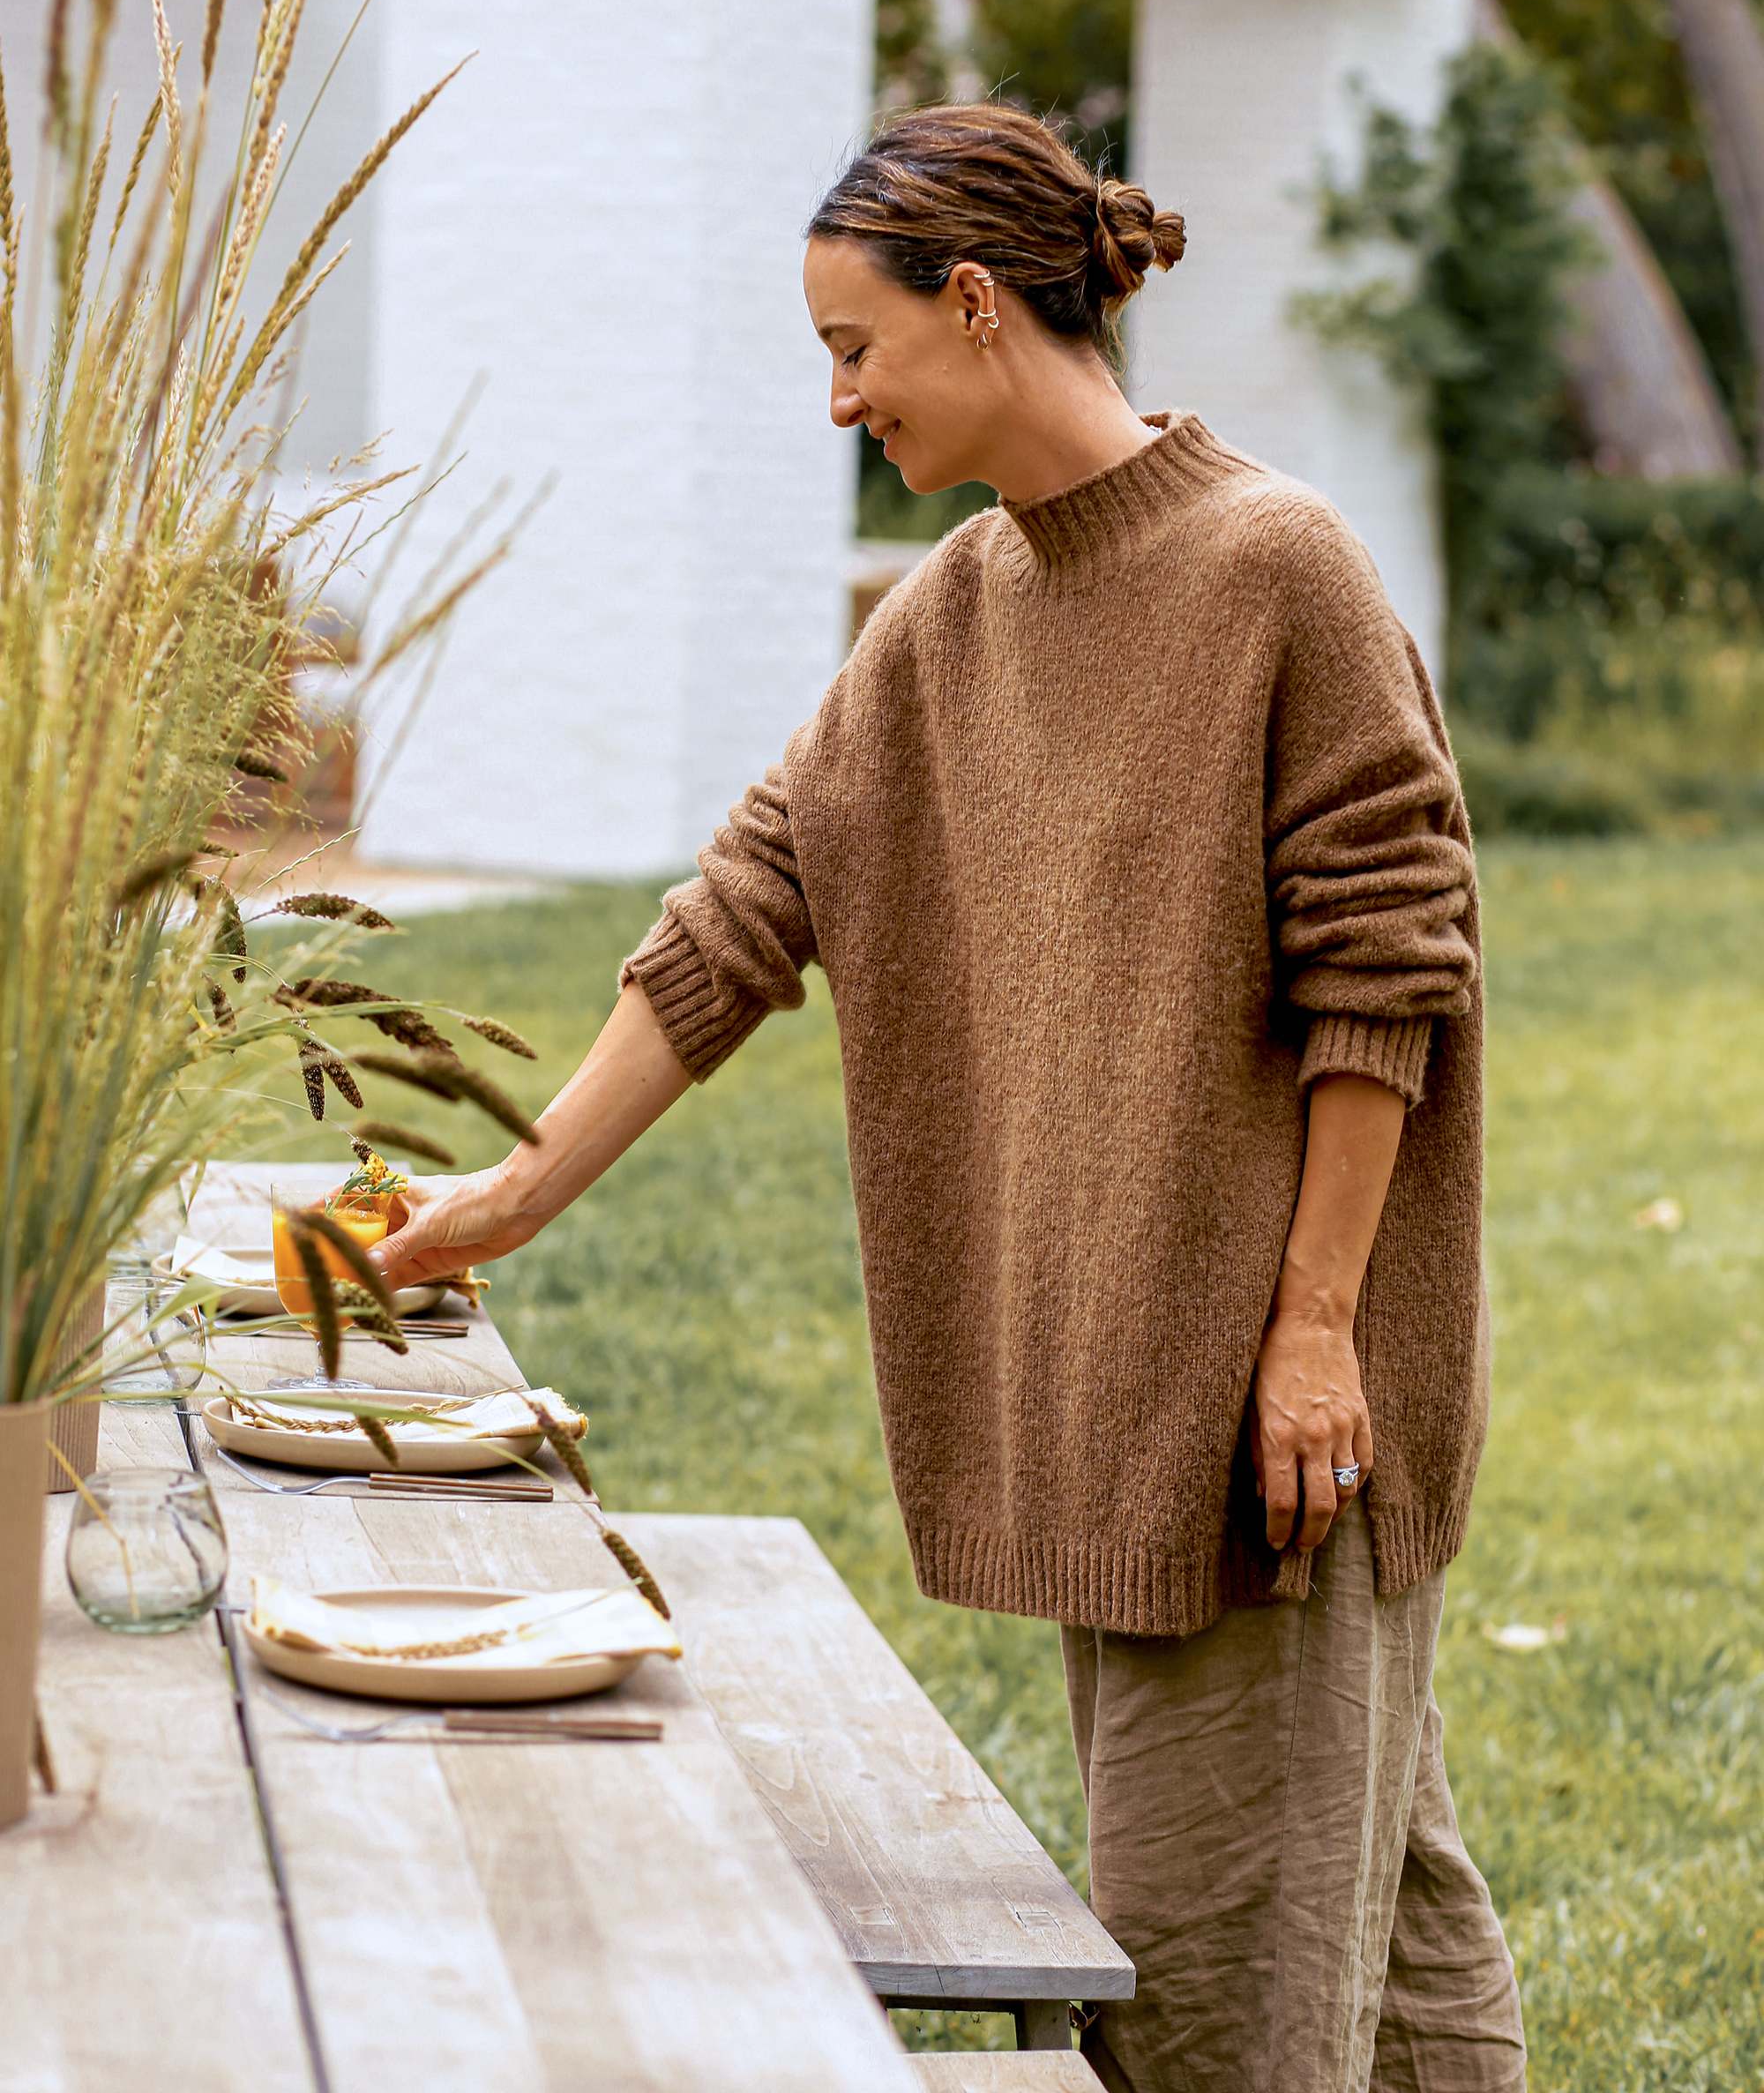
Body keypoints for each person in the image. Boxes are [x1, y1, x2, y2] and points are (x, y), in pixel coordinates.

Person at [369, 104, 1526, 2093]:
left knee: (1209, 1970)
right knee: (1370, 1906)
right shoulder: (954, 610)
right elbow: (752, 902)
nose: (836, 402)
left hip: (1271, 1386)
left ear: (975, 304)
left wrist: (1315, 1335)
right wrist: (524, 1185)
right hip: (1130, 1370)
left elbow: (1386, 968)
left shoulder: (1276, 571)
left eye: (852, 347)